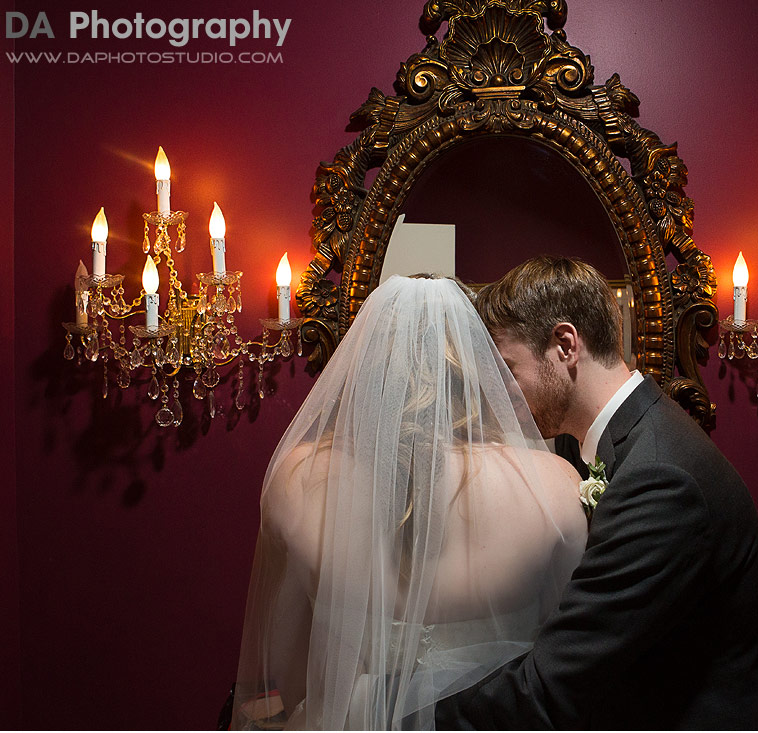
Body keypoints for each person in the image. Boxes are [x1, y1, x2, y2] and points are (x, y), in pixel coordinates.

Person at [435, 256, 758, 729]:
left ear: (565, 345)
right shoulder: (624, 440)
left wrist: (396, 719)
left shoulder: (661, 478)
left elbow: (553, 686)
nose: (499, 393)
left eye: (507, 370)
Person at [232, 275, 587, 730]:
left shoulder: (298, 481)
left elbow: (288, 664)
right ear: (478, 365)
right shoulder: (553, 485)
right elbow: (572, 658)